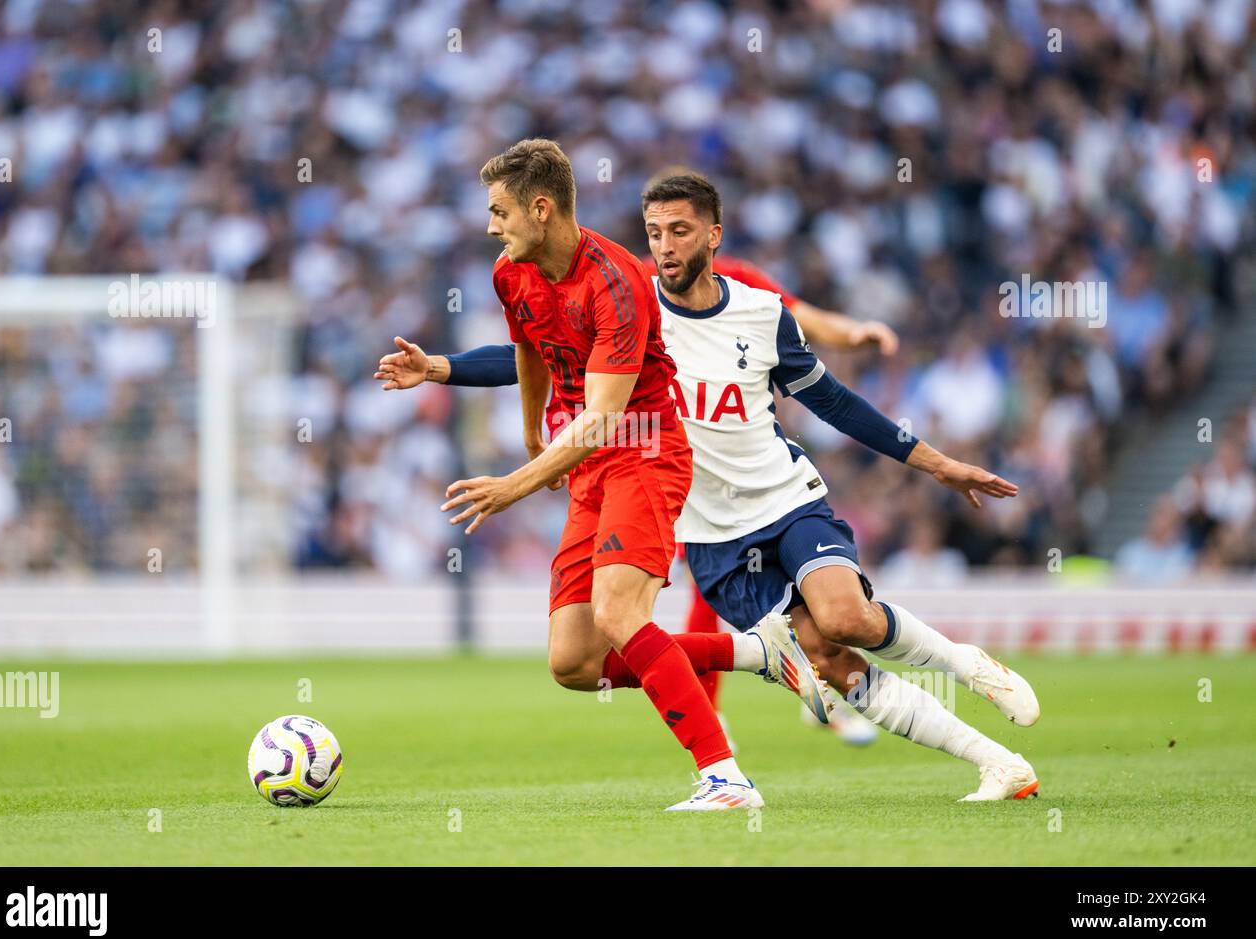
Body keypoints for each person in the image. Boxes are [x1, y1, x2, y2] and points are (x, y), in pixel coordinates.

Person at [381, 170, 1043, 801]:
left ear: (714, 235)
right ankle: (998, 764)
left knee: (845, 617)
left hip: (784, 500)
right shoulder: (629, 300)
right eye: (655, 232)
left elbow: (834, 402)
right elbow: (542, 356)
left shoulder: (759, 312)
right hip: (709, 536)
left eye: (680, 231)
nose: (665, 247)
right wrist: (440, 367)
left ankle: (964, 663)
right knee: (829, 660)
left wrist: (938, 464)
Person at [431, 140, 832, 811]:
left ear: (540, 207)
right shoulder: (511, 272)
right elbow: (529, 347)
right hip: (590, 467)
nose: (490, 225)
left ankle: (725, 778)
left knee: (620, 613)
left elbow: (604, 417)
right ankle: (759, 654)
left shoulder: (614, 281)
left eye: (499, 211)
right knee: (574, 664)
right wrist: (534, 428)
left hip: (646, 455)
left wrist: (516, 480)